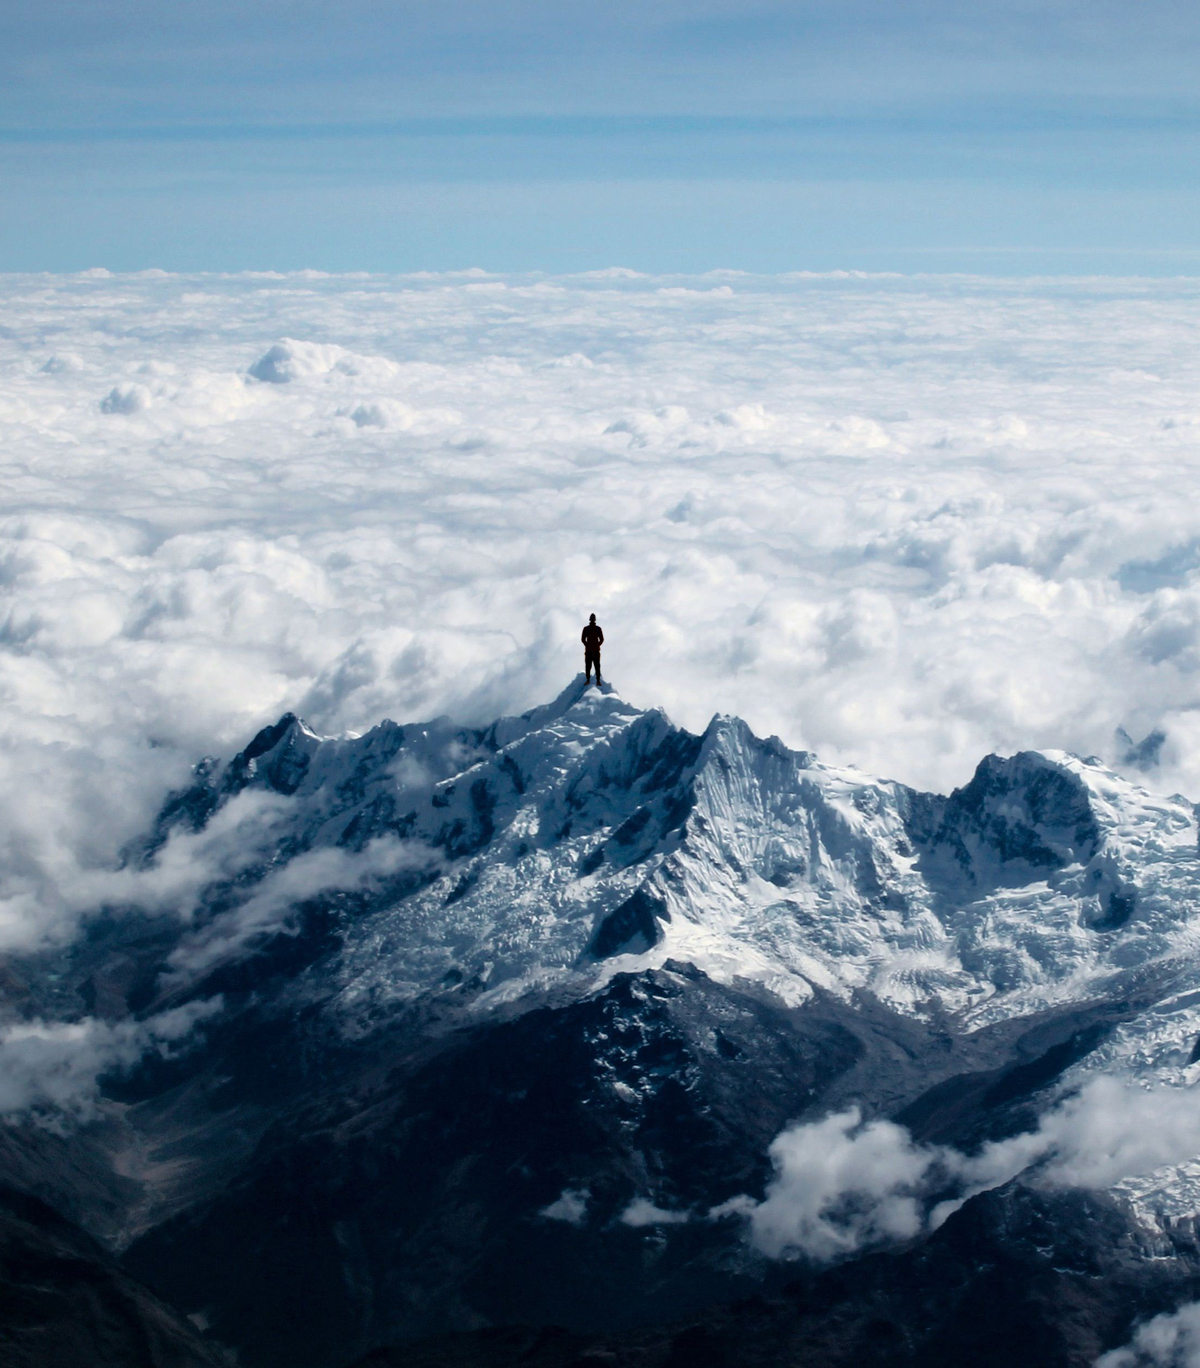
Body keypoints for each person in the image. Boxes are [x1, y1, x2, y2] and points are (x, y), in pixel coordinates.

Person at [582, 614, 604, 685]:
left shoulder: (598, 629)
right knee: (588, 666)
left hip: (595, 651)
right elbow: (583, 639)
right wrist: (588, 645)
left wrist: (597, 645)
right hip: (589, 651)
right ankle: (588, 679)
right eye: (591, 618)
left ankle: (598, 680)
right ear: (590, 619)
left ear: (595, 619)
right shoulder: (586, 629)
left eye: (593, 618)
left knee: (597, 666)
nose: (592, 619)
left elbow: (601, 639)